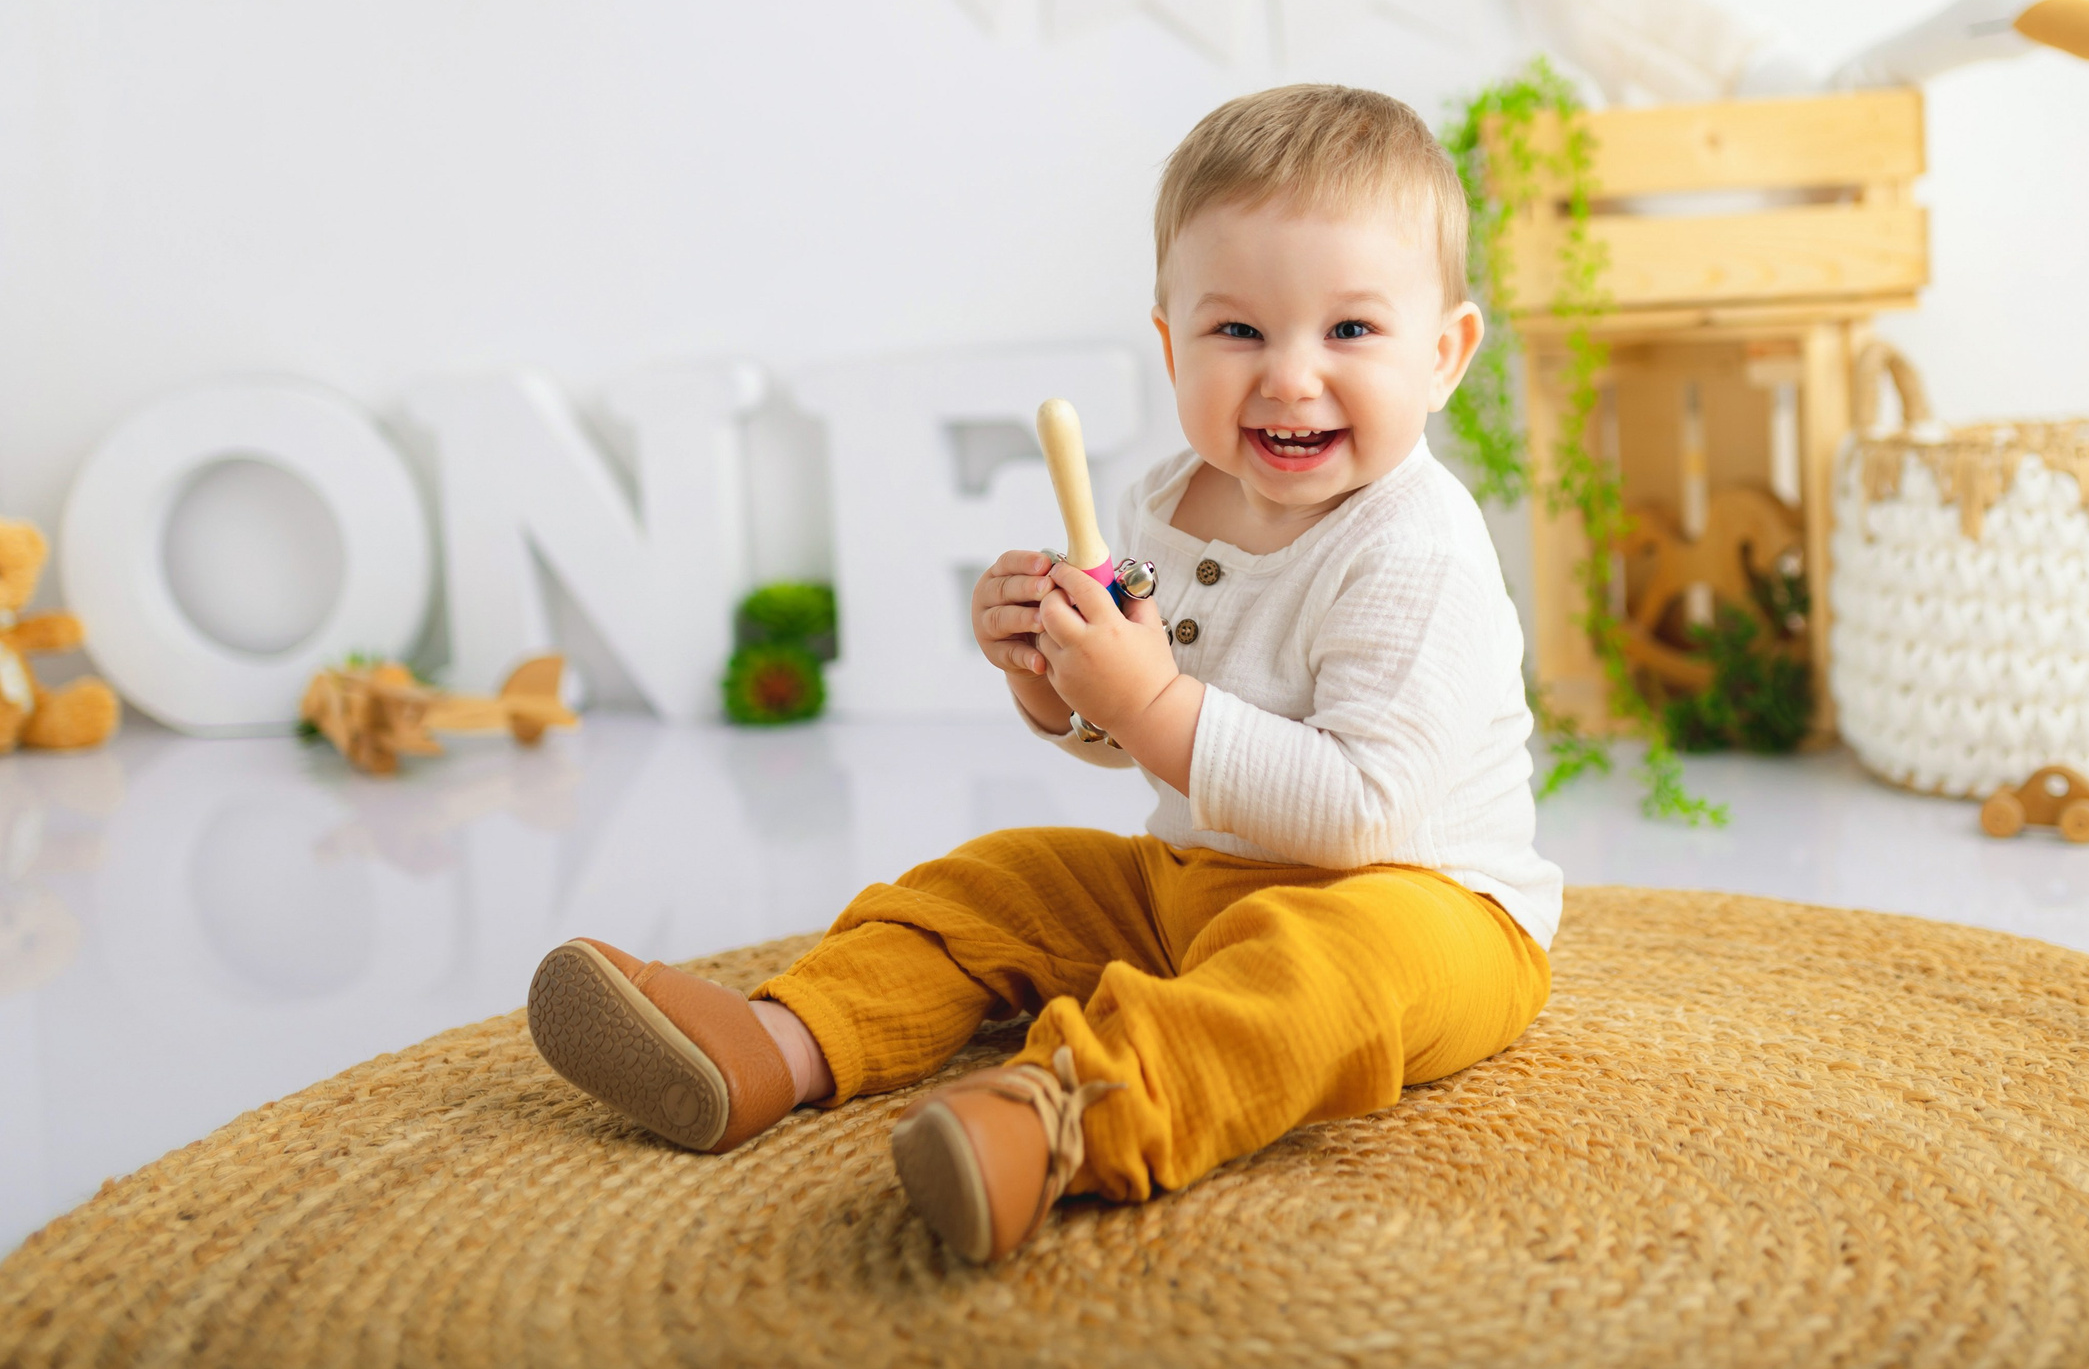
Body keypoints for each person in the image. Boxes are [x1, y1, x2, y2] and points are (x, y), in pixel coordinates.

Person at [525, 84, 1563, 1264]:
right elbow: (1133, 736)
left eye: (1350, 331)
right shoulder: (1161, 503)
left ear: (1445, 354)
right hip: (1194, 876)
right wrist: (1056, 680)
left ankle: (1064, 1113)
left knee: (1323, 978)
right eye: (1237, 332)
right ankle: (778, 1041)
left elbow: (1361, 810)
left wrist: (1151, 698)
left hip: (1423, 905)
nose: (1287, 376)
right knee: (996, 879)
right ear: (1171, 341)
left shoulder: (1415, 545)